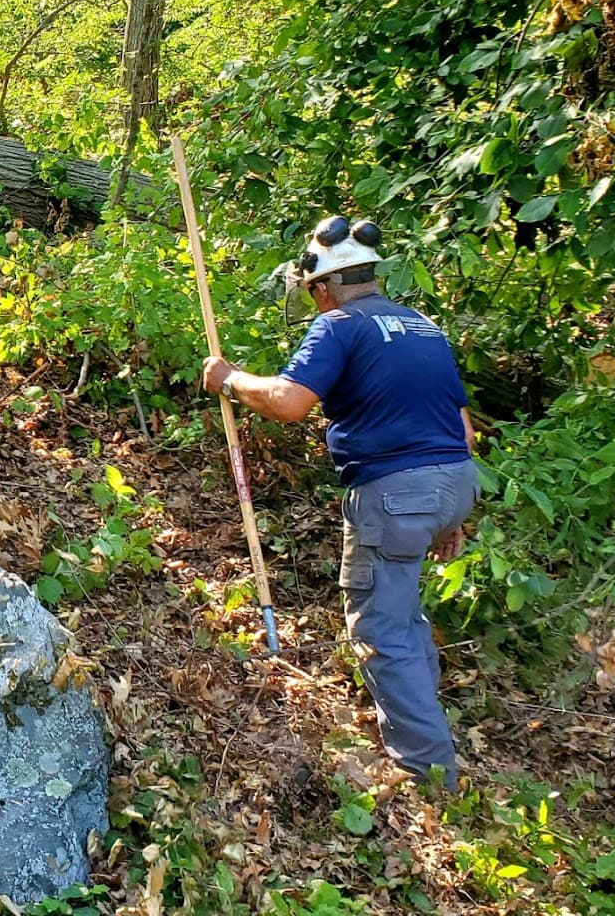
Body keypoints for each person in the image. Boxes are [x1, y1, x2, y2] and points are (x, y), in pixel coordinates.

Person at [200, 215, 478, 789]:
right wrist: (446, 514)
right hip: (453, 481)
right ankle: (428, 740)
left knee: (380, 625)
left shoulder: (340, 326)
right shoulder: (424, 326)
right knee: (403, 615)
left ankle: (427, 772)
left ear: (321, 287)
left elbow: (288, 402)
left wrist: (228, 379)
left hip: (396, 493)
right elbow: (464, 428)